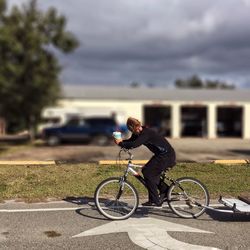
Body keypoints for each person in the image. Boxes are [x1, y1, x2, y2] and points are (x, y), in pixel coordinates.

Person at [114, 117, 176, 207]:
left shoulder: (146, 133)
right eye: (136, 128)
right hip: (161, 155)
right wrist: (121, 142)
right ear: (132, 129)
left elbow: (135, 144)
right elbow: (131, 141)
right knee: (147, 172)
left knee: (148, 172)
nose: (139, 129)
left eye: (139, 126)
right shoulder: (137, 133)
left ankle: (156, 200)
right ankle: (164, 191)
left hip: (166, 156)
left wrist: (120, 143)